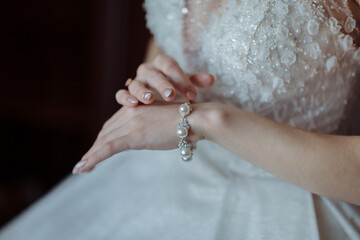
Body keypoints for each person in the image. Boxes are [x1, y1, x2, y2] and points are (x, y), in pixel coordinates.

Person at [1, 0, 360, 239]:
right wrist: (155, 85)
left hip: (290, 206)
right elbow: (169, 47)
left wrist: (210, 121)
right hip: (158, 181)